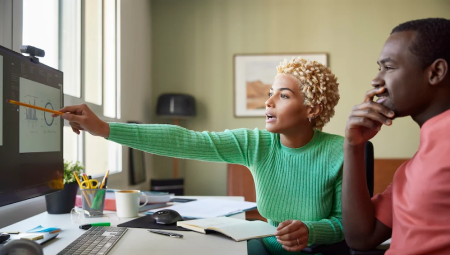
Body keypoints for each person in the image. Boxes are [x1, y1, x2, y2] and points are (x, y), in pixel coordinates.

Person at [57, 57, 343, 254]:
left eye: (283, 95)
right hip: (258, 246)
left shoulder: (340, 152)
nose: (268, 102)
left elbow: (346, 225)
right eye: (270, 93)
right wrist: (104, 128)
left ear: (313, 108)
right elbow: (185, 141)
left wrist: (311, 230)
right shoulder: (257, 143)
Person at [342, 18, 450, 254]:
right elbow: (361, 237)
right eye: (379, 68)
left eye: (389, 68)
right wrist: (354, 146)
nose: (376, 80)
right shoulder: (414, 164)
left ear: (436, 72)